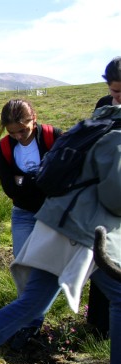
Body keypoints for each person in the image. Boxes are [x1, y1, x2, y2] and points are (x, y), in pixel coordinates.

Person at [0, 105, 121, 364]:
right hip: (84, 232)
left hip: (58, 222)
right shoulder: (116, 135)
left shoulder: (97, 124)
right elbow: (115, 198)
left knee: (33, 303)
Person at [0, 99, 63, 349]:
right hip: (23, 213)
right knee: (23, 265)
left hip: (55, 213)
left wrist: (27, 181)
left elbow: (64, 175)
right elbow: (10, 189)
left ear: (34, 118)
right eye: (12, 132)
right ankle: (30, 320)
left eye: (24, 130)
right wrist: (39, 180)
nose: (19, 136)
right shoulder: (2, 148)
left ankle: (32, 319)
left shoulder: (53, 136)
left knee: (48, 267)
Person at [87, 56, 120, 338]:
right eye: (115, 91)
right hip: (106, 192)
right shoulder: (102, 106)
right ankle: (99, 325)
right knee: (104, 256)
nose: (118, 98)